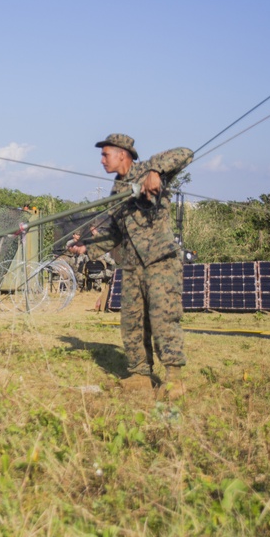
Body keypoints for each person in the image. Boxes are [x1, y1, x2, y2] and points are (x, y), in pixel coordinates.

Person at [82, 133, 193, 399]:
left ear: (122, 154)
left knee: (163, 318)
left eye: (105, 154)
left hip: (160, 261)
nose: (101, 160)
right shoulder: (116, 191)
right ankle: (140, 375)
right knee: (132, 322)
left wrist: (156, 171)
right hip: (131, 265)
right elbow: (115, 235)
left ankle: (174, 380)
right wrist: (87, 248)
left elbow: (185, 152)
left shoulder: (147, 170)